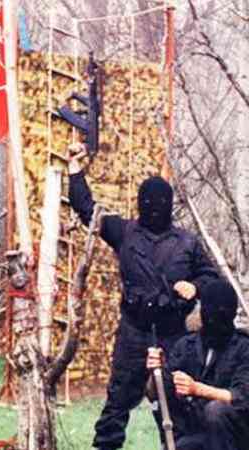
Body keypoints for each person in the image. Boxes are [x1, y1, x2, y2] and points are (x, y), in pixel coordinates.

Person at [66, 142, 219, 450]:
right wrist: (74, 169)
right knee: (117, 403)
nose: (154, 207)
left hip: (173, 335)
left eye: (159, 202)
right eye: (149, 202)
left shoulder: (187, 243)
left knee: (177, 406)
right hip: (133, 332)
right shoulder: (124, 232)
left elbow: (212, 278)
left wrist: (196, 287)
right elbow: (86, 209)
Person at [146, 280, 249, 450]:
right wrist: (157, 370)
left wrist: (196, 389)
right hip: (196, 432)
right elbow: (154, 394)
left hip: (235, 438)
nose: (214, 320)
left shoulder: (244, 348)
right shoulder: (186, 346)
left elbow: (242, 397)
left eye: (222, 314)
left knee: (216, 410)